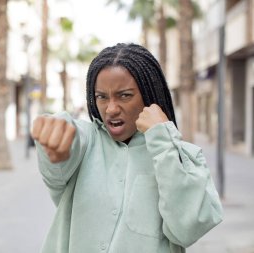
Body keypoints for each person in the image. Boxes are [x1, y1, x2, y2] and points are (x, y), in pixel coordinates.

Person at [31, 43, 223, 253]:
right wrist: (55, 131)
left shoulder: (182, 156)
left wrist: (162, 140)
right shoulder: (86, 142)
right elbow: (70, 135)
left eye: (125, 95)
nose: (111, 109)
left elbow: (187, 229)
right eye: (101, 97)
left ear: (148, 96)